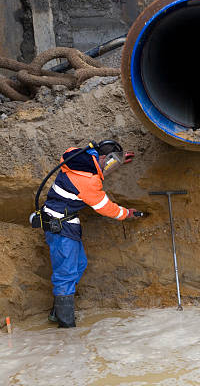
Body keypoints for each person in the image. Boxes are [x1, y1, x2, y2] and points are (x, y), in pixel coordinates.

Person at [42, 140, 138, 328]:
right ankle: (66, 329)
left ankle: (58, 311)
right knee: (66, 274)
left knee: (79, 264)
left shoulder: (76, 156)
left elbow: (96, 168)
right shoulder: (88, 182)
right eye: (111, 161)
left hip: (64, 221)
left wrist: (115, 163)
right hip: (60, 226)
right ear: (103, 157)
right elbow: (105, 208)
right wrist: (127, 213)